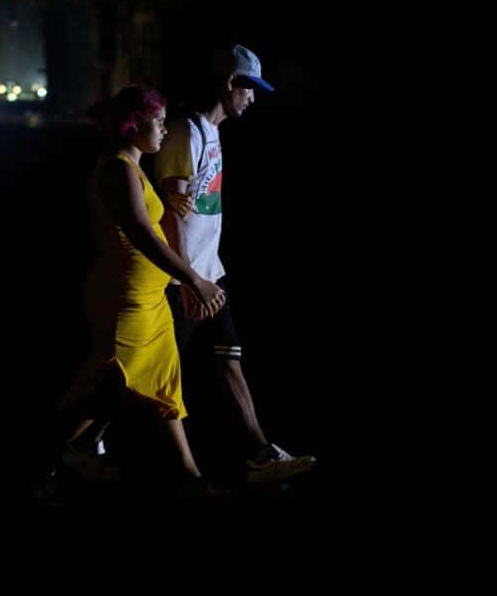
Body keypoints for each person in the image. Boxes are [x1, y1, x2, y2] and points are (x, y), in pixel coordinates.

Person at [154, 44, 317, 482]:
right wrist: (188, 280)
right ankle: (79, 445)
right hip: (184, 280)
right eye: (248, 89)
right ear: (229, 84)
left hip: (211, 273)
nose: (252, 98)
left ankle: (260, 451)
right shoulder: (187, 134)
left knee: (230, 360)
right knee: (142, 373)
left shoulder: (211, 131)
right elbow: (172, 215)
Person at [54, 86, 226, 490]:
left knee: (167, 389)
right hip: (125, 301)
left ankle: (192, 477)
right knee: (103, 389)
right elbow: (142, 236)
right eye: (159, 121)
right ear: (133, 125)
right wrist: (194, 279)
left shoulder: (133, 168)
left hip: (151, 301)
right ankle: (49, 462)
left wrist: (169, 201)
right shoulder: (116, 168)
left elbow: (149, 222)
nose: (165, 130)